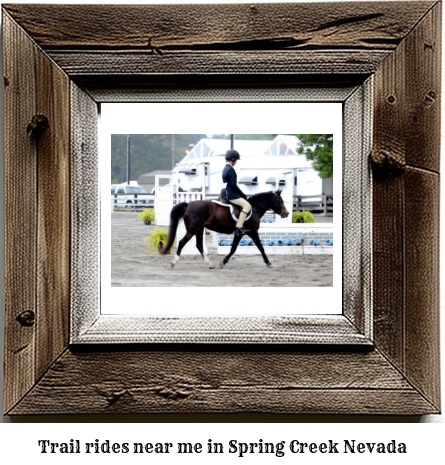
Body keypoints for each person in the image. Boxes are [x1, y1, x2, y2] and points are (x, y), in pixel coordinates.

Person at [221, 149, 252, 237]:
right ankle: (238, 227)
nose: (236, 162)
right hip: (231, 194)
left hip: (228, 191)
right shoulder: (230, 169)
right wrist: (242, 195)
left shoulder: (225, 168)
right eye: (236, 160)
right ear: (233, 159)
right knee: (247, 206)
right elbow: (233, 185)